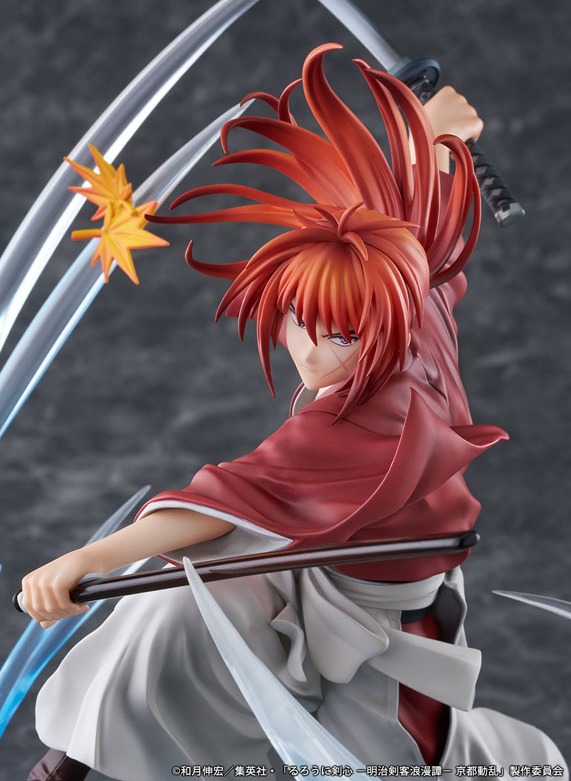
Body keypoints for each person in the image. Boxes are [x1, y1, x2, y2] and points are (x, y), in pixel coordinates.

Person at [22, 44, 567, 781]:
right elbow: (409, 229)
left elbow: (226, 500)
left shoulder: (374, 418)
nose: (310, 352)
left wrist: (89, 560)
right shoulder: (416, 304)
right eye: (296, 320)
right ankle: (67, 765)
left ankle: (524, 764)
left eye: (340, 335)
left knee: (388, 765)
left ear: (384, 323)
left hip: (381, 615)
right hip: (298, 565)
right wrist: (434, 139)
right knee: (164, 619)